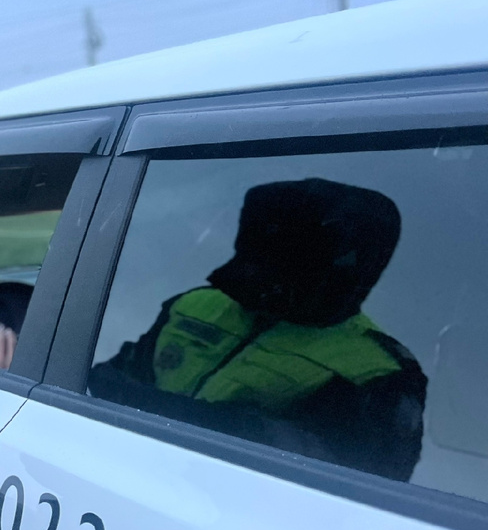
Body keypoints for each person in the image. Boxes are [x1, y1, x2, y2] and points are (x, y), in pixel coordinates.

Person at [91, 177, 427, 482]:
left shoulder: (375, 373)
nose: (260, 265)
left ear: (344, 265)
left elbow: (337, 479)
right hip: (123, 470)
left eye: (289, 252)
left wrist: (156, 409)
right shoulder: (193, 305)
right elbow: (105, 377)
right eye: (260, 244)